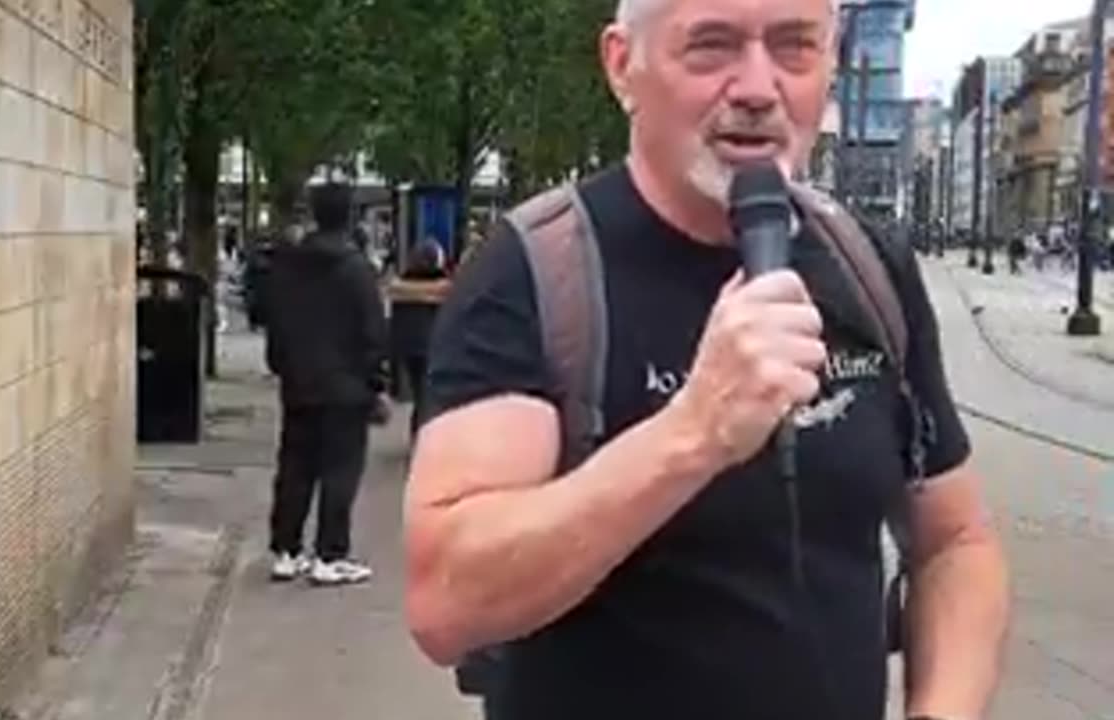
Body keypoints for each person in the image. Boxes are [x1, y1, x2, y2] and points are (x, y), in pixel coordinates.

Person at [403, 1, 1009, 719]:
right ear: (622, 65)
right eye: (713, 46)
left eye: (794, 47)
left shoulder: (868, 267)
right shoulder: (535, 271)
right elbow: (446, 601)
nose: (758, 87)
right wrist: (693, 431)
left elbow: (956, 543)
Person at [264, 183, 387, 586]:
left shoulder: (288, 265)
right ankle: (330, 555)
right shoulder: (357, 270)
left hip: (298, 383)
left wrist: (283, 366)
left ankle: (286, 550)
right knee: (340, 471)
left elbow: (275, 323)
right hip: (346, 388)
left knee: (295, 467)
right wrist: (375, 383)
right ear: (351, 215)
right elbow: (372, 332)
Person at [388, 240, 452, 435]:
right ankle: (423, 436)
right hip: (434, 346)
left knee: (419, 392)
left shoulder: (399, 286)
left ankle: (418, 432)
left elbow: (396, 319)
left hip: (409, 347)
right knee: (428, 396)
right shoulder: (446, 287)